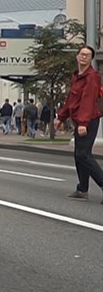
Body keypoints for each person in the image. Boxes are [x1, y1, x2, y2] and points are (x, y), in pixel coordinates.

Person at [57, 45, 103, 201]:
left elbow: (88, 100)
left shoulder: (92, 76)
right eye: (82, 54)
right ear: (77, 56)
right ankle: (82, 189)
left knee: (83, 154)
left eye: (87, 55)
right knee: (79, 155)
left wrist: (83, 123)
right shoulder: (77, 76)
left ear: (91, 59)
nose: (84, 57)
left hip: (88, 119)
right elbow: (72, 99)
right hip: (80, 119)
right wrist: (61, 116)